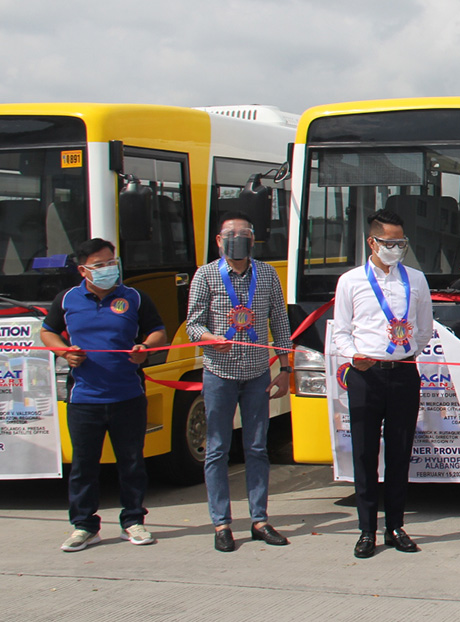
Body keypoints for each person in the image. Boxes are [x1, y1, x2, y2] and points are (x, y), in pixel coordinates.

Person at [39, 238, 169, 551]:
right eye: (100, 265)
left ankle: (133, 521)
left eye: (112, 262)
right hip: (84, 399)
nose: (109, 268)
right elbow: (47, 330)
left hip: (128, 396)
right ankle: (84, 526)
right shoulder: (67, 299)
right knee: (84, 466)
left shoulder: (134, 298)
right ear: (84, 270)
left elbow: (158, 331)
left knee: (132, 462)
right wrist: (64, 352)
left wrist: (145, 348)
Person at [326, 209, 434, 559]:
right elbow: (341, 331)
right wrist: (354, 355)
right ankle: (366, 529)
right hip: (365, 374)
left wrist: (405, 352)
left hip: (402, 372)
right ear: (372, 242)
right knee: (364, 453)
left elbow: (423, 328)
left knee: (400, 453)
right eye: (388, 243)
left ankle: (396, 527)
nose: (395, 248)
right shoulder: (351, 281)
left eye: (400, 243)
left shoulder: (415, 279)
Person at [184, 213, 294, 553]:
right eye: (230, 234)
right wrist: (209, 338)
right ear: (219, 240)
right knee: (217, 449)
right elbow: (192, 324)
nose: (237, 239)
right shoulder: (205, 276)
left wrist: (287, 368)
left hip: (258, 373)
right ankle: (222, 523)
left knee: (257, 447)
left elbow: (279, 320)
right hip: (220, 372)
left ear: (253, 238)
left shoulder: (267, 274)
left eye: (243, 233)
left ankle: (259, 519)